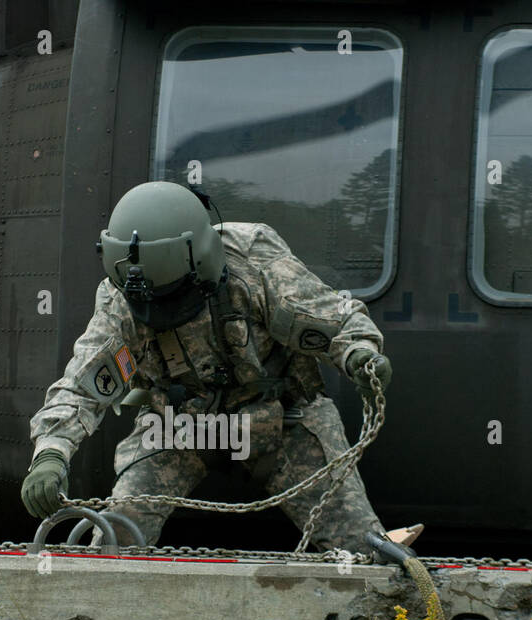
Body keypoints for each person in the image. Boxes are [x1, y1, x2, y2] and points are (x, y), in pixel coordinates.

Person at [20, 180, 393, 554]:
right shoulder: (123, 299)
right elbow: (81, 385)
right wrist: (51, 454)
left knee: (360, 544)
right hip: (178, 426)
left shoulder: (256, 265)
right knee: (118, 536)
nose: (158, 313)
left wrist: (359, 355)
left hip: (281, 419)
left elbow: (337, 321)